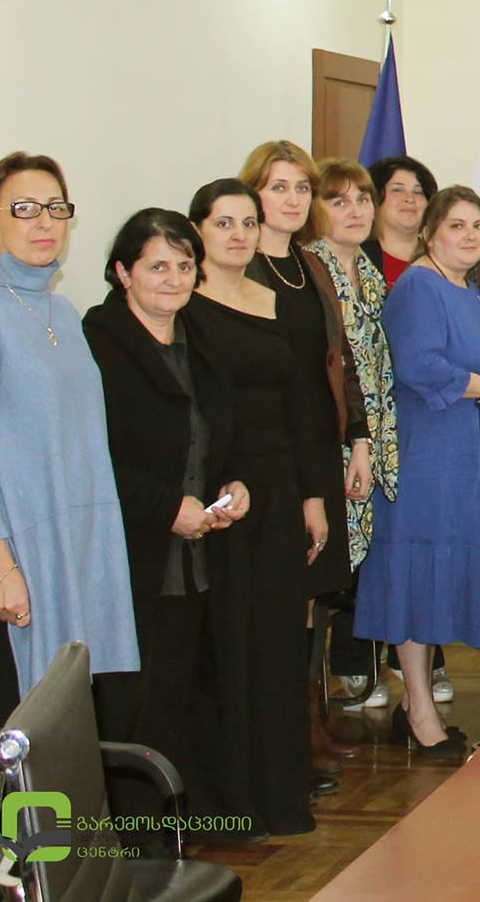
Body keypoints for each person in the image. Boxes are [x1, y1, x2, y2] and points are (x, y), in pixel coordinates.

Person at [0, 153, 139, 741]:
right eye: (24, 208)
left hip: (63, 555)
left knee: (62, 737)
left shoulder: (64, 312)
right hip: (6, 565)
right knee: (12, 739)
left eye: (55, 207)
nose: (44, 221)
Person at [83, 209, 252, 827]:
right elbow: (93, 459)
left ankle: (167, 827)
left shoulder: (197, 338)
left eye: (184, 266)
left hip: (195, 552)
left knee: (178, 696)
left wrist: (235, 483)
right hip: (130, 552)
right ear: (123, 272)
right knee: (131, 702)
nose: (174, 279)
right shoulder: (97, 344)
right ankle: (125, 838)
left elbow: (220, 436)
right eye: (158, 266)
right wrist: (166, 509)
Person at [356, 186, 480, 758]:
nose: (470, 235)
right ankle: (420, 711)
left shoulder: (466, 286)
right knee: (415, 572)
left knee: (436, 575)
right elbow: (418, 363)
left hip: (462, 456)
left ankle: (418, 702)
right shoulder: (418, 287)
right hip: (425, 456)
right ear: (429, 233)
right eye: (456, 225)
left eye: (478, 226)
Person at [183, 178, 320, 831]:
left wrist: (312, 495)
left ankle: (279, 795)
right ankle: (228, 805)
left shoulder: (272, 298)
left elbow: (301, 407)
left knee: (278, 642)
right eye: (223, 223)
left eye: (247, 223)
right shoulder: (185, 304)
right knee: (227, 644)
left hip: (279, 486)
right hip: (224, 490)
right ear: (197, 232)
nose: (238, 235)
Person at [239, 141, 368, 614]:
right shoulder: (241, 270)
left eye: (302, 188)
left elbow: (341, 358)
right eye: (278, 188)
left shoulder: (312, 264)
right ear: (252, 194)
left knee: (314, 590)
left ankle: (307, 667)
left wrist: (359, 440)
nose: (293, 199)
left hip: (319, 446)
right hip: (269, 452)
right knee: (275, 593)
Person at [309, 160, 399, 581]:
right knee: (320, 568)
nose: (356, 210)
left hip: (374, 436)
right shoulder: (308, 269)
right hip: (331, 437)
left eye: (363, 199)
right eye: (339, 202)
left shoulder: (371, 273)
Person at [363, 155, 436, 288]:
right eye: (397, 190)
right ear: (375, 198)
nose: (410, 199)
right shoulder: (356, 257)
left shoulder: (442, 256)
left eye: (418, 192)